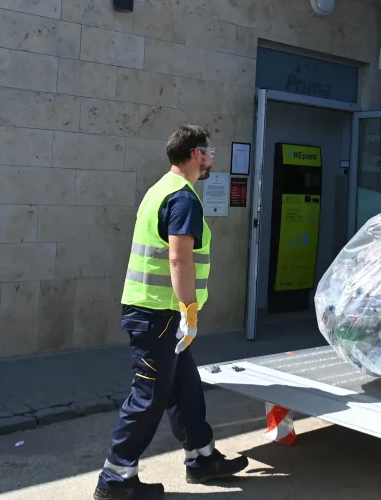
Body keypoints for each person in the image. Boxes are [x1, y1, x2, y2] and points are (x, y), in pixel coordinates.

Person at [95, 125, 248, 500]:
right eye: (210, 151)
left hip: (158, 314)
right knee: (148, 397)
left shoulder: (159, 189)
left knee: (186, 389)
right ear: (196, 154)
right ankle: (116, 477)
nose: (213, 157)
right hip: (159, 316)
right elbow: (180, 261)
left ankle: (202, 458)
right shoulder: (183, 198)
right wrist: (189, 312)